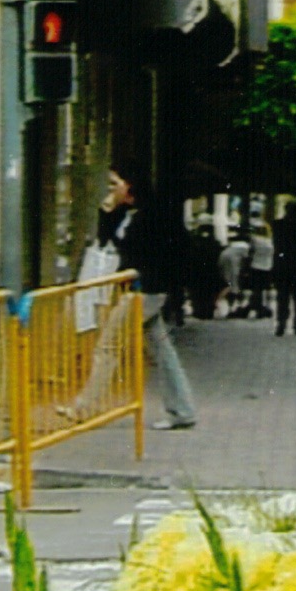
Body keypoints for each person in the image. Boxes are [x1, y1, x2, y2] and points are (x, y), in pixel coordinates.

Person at [96, 169, 197, 430]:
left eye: (115, 184)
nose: (111, 189)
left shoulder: (150, 214)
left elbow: (143, 251)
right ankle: (182, 410)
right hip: (141, 289)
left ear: (130, 185)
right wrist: (107, 211)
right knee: (163, 352)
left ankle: (85, 406)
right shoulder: (126, 213)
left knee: (109, 345)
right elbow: (107, 241)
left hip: (146, 290)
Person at [271, 199, 296, 337]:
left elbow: (275, 243)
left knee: (282, 296)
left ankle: (281, 324)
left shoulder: (277, 225)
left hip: (281, 264)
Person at [247, 215, 275, 320]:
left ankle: (258, 308)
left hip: (256, 266)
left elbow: (250, 252)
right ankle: (267, 307)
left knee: (256, 289)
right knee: (267, 289)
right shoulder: (270, 242)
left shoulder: (254, 239)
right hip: (267, 267)